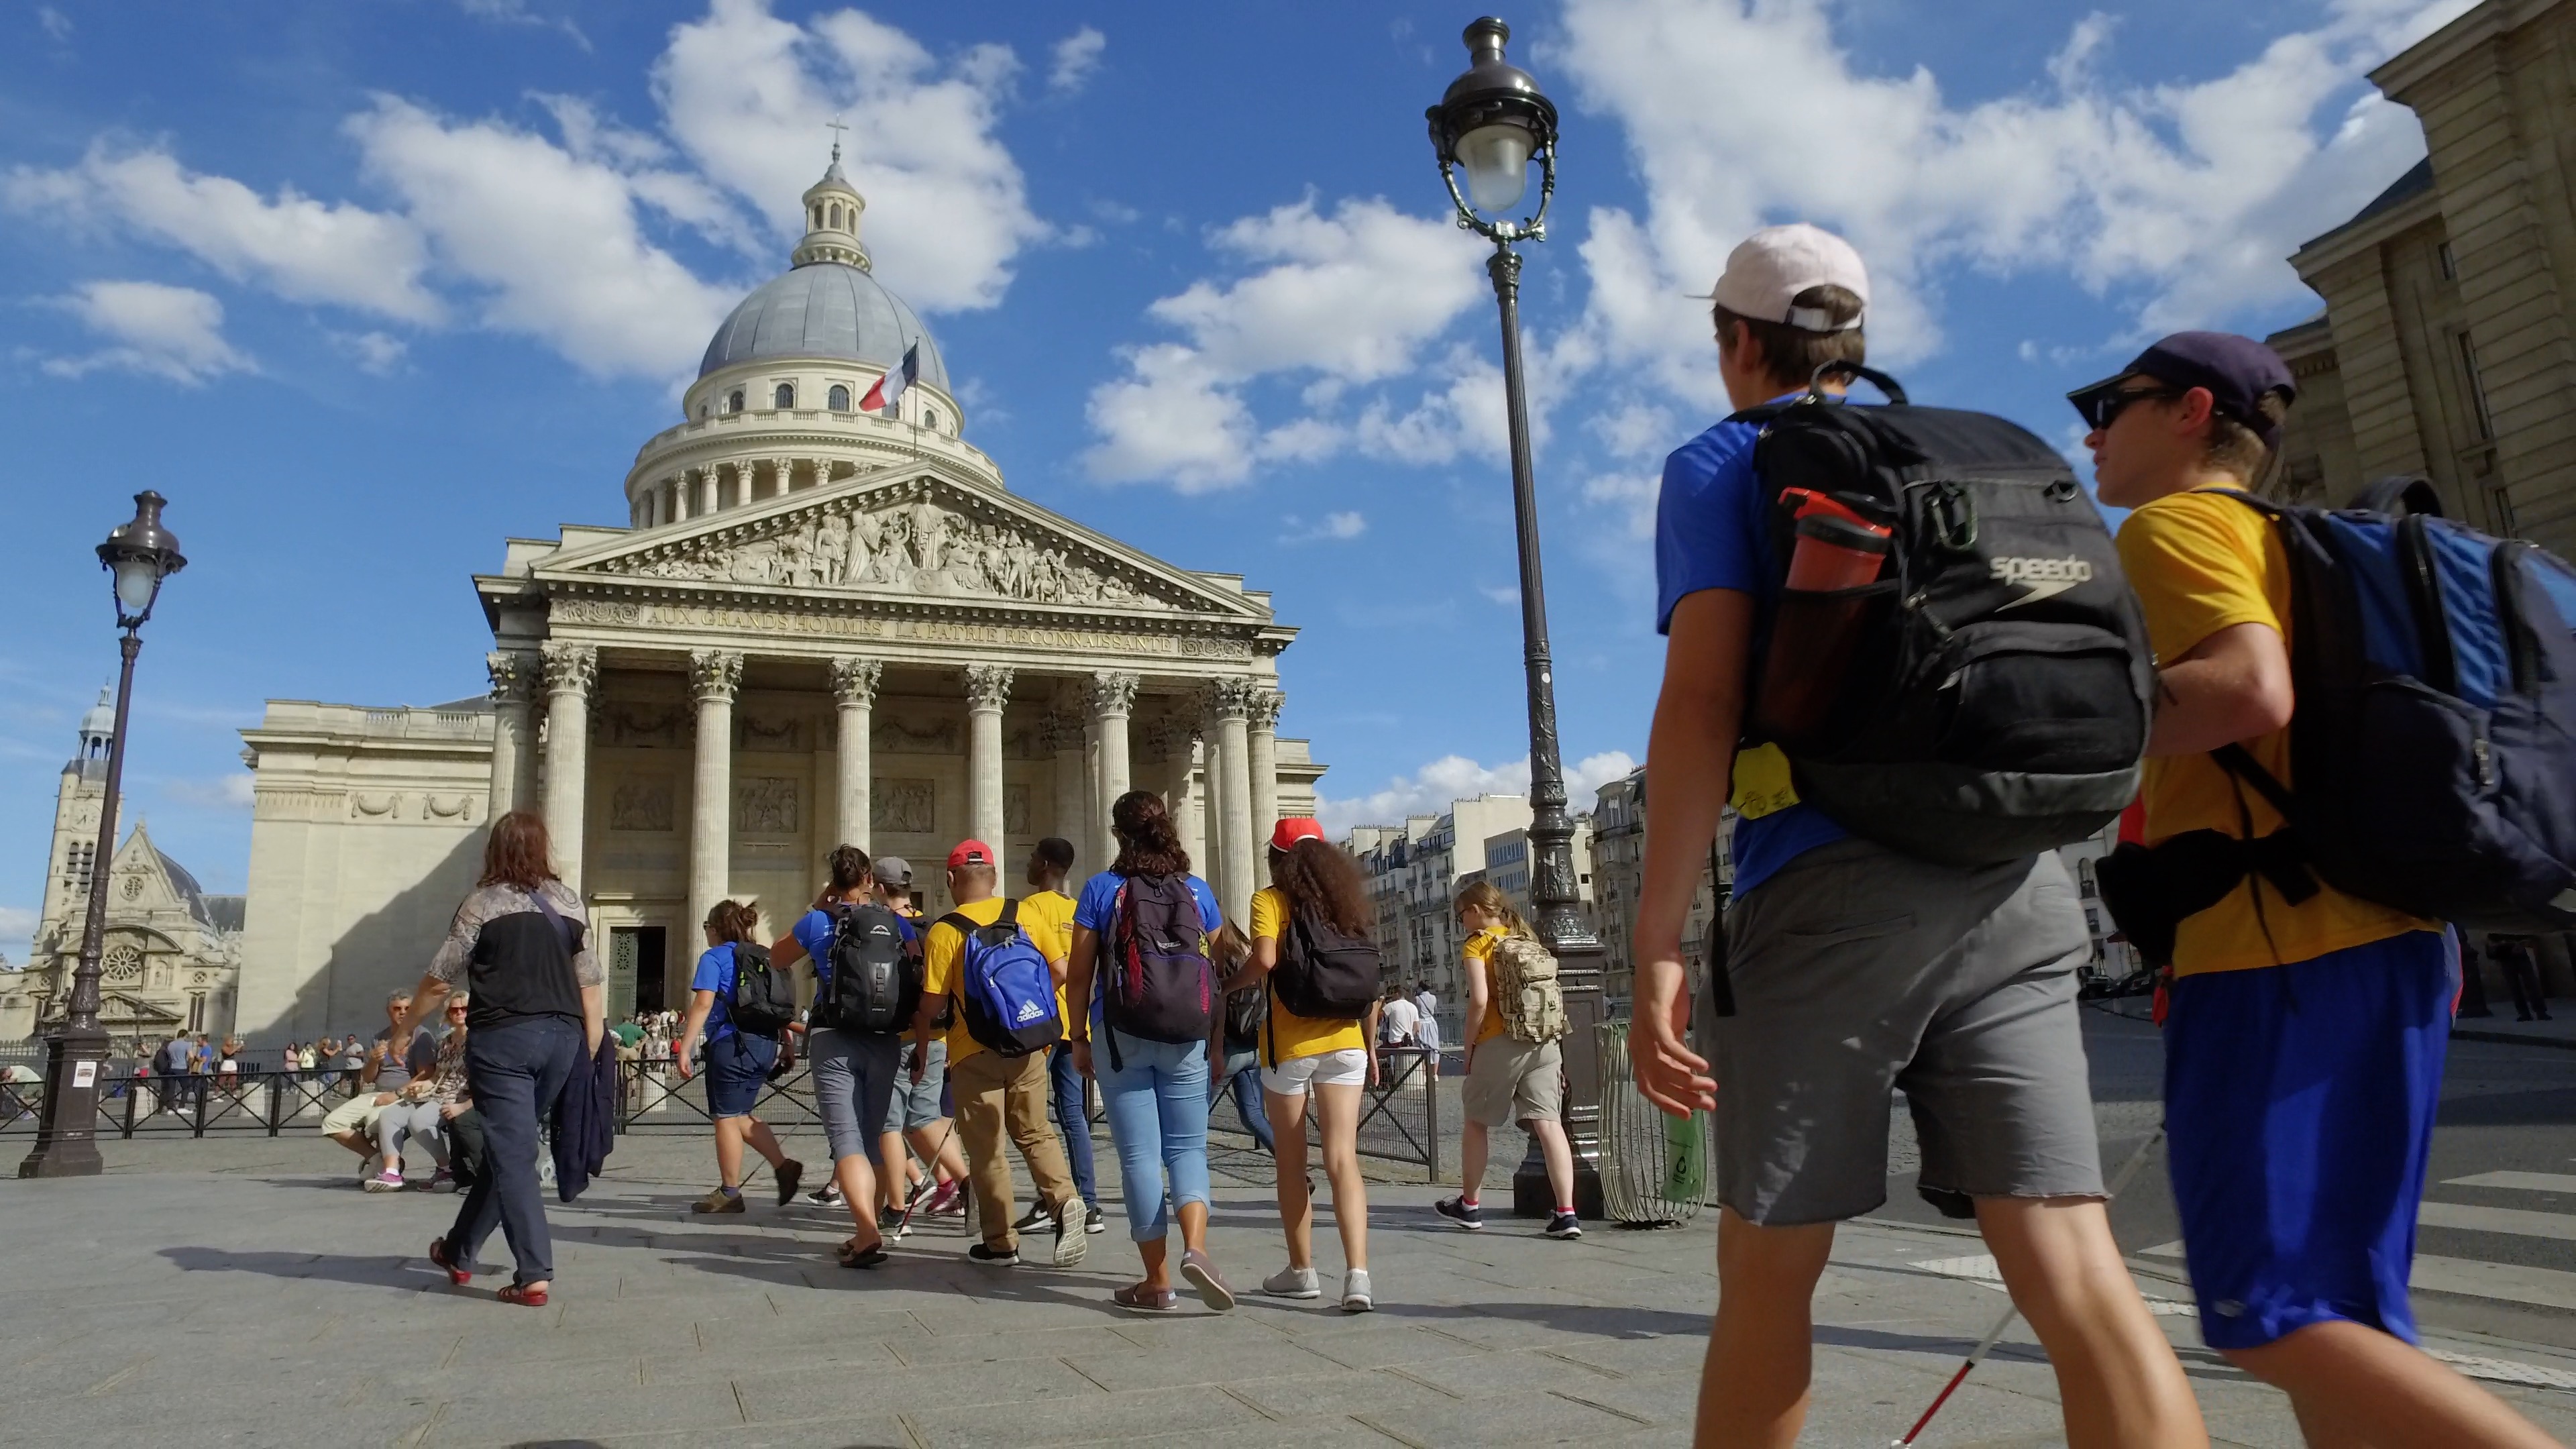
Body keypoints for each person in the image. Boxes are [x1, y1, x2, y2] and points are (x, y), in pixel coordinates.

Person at [1625, 225, 2205, 1447]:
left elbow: (1703, 700)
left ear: (1736, 340)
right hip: (2022, 877)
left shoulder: (1726, 460)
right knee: (2077, 1271)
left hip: (1829, 891)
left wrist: (1656, 943)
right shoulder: (1977, 455)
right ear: (1855, 343)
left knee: (1772, 1274)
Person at [2083, 330, 2559, 1448]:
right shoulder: (2285, 544)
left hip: (2277, 955)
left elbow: (2249, 691)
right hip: (2385, 941)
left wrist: (2066, 710)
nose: (2095, 427)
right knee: (2347, 1322)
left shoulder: (2176, 524)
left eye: (2116, 400)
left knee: (2272, 1317)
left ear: (2194, 412)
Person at [398, 809, 605, 1307]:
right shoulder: (570, 903)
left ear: (495, 850)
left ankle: (534, 1272)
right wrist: (590, 1046)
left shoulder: (481, 903)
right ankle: (458, 1250)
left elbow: (441, 978)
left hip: (505, 1040)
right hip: (562, 1038)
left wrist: (405, 1029)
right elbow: (591, 982)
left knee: (514, 1155)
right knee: (508, 1152)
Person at [1067, 792, 1232, 1311]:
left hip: (1121, 1033)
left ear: (1118, 834)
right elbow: (1219, 965)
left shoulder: (1102, 889)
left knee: (1140, 1156)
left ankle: (1157, 1281)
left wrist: (1077, 1036)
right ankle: (1198, 1249)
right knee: (1188, 1150)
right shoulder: (1197, 890)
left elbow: (1078, 974)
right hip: (1187, 1034)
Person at [910, 840, 1089, 1266]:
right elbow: (1061, 970)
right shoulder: (1025, 912)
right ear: (993, 876)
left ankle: (1000, 1243)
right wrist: (1025, 1012)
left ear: (951, 880)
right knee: (1036, 1131)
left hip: (974, 1050)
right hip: (1030, 1044)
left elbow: (932, 1006)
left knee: (988, 1149)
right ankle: (1065, 1201)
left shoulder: (944, 931)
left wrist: (921, 1045)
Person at [1232, 816, 1379, 1313]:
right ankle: (1358, 1276)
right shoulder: (1347, 905)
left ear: (1277, 858)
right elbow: (1371, 981)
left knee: (1292, 1163)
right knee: (1343, 1160)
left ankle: (1302, 1270)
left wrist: (1229, 985)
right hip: (1346, 1040)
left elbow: (1266, 961)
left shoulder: (1270, 900)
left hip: (1290, 1044)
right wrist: (1372, 1046)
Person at [769, 845, 905, 1267]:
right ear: (869, 880)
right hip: (886, 1038)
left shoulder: (817, 922)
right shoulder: (896, 923)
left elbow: (776, 957)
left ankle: (866, 1232)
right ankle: (870, 1226)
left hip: (834, 1036)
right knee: (873, 1138)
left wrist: (820, 903)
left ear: (834, 879)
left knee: (846, 1139)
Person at [1436, 882, 1580, 1239]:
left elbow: (1480, 1002)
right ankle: (1567, 1213)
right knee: (1549, 1124)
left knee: (1476, 1122)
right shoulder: (1527, 940)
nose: (1461, 922)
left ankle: (1469, 1206)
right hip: (1544, 1042)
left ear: (1474, 910)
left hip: (1500, 1042)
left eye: (1461, 916)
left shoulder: (1478, 943)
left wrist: (1469, 1048)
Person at [676, 900, 804, 1214]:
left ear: (716, 928)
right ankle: (783, 1166)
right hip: (764, 1044)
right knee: (741, 1115)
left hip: (731, 1043)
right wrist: (786, 1044)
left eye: (707, 927)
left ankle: (730, 1191)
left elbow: (704, 1004)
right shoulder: (763, 956)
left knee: (725, 1118)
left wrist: (686, 1047)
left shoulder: (715, 958)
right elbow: (773, 1006)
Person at [866, 856, 970, 1228]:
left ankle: (895, 1208)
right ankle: (968, 1183)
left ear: (879, 888)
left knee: (888, 1124)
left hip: (899, 1036)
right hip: (938, 1033)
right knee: (923, 1118)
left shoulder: (881, 929)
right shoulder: (934, 928)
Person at [1020, 837, 1105, 1236]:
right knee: (1074, 1117)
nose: (1029, 862)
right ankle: (1089, 1205)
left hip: (1041, 1024)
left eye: (1034, 857)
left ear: (1047, 865)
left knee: (1033, 1121)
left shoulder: (1027, 910)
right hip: (1077, 1024)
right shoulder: (1079, 911)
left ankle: (1051, 1198)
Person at [374, 994, 472, 1193]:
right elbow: (436, 1077)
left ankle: (446, 1169)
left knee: (419, 1121)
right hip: (435, 1092)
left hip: (458, 1096)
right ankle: (392, 1172)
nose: (460, 1013)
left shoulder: (477, 1040)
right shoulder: (445, 1042)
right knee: (388, 1116)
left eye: (464, 1009)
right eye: (454, 1010)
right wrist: (421, 1086)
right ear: (448, 1014)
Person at [1208, 922, 1275, 1153]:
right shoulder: (1248, 952)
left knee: (1193, 1117)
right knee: (1254, 1116)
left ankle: (1185, 1182)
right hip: (1253, 1045)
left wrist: (1215, 1047)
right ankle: (1295, 1171)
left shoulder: (1218, 957)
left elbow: (1221, 1002)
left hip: (1227, 1049)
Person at [2491, 935, 2553, 1023]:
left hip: (2519, 957)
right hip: (2505, 959)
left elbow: (2527, 938)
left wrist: (2521, 945)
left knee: (2531, 985)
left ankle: (2539, 1012)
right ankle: (2526, 1013)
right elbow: (2490, 947)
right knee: (2515, 988)